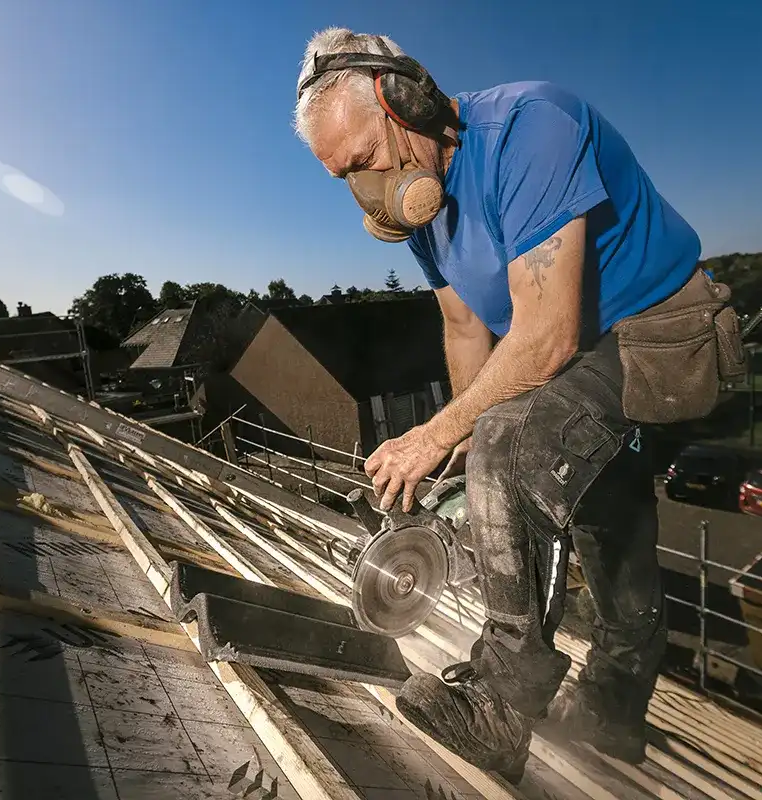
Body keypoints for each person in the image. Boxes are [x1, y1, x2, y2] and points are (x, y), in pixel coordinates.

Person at [294, 28, 726, 782]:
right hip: (582, 349)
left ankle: (501, 701)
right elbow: (465, 326)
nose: (365, 190)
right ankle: (616, 715)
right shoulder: (426, 215)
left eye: (363, 160)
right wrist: (458, 445)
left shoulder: (532, 127)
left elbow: (548, 334)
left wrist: (452, 434)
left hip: (657, 333)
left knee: (511, 436)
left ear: (405, 100)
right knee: (602, 513)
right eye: (344, 177)